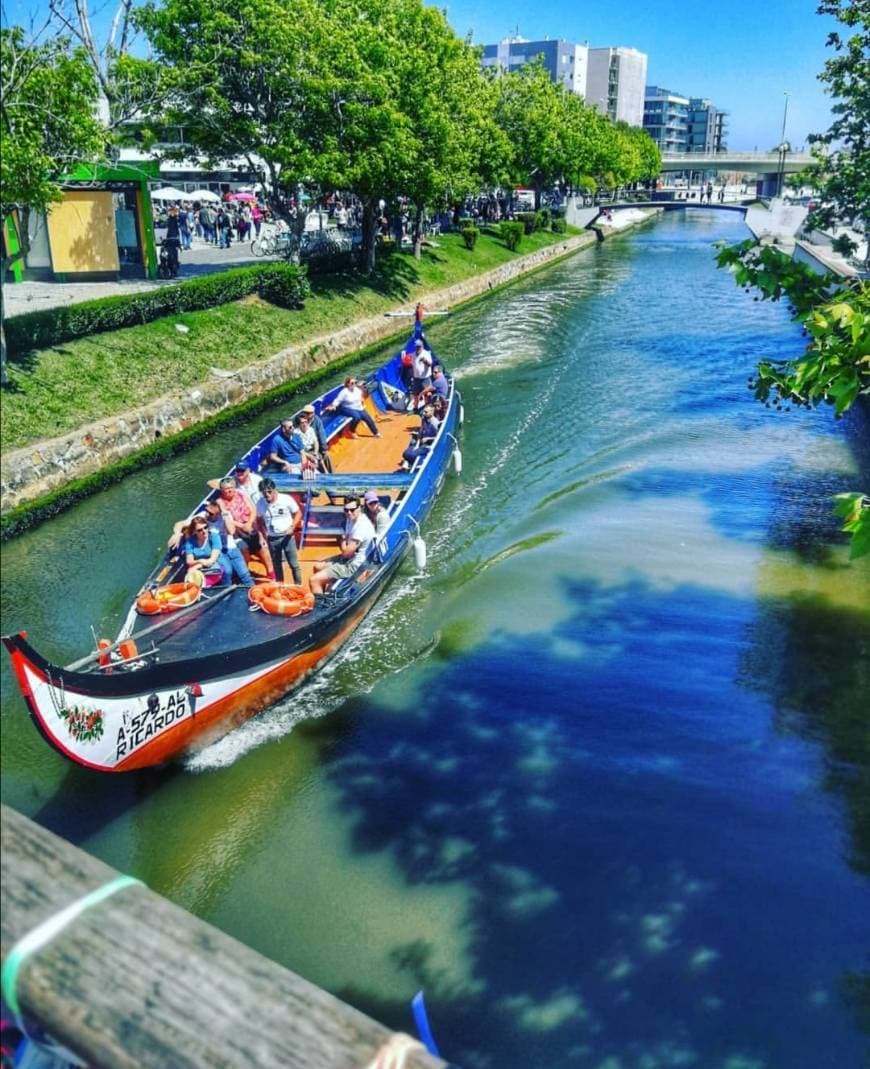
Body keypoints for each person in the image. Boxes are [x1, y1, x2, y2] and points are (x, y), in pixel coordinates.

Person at [309, 498, 375, 594]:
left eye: (352, 510)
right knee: (317, 566)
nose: (349, 513)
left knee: (314, 580)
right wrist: (343, 541)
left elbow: (346, 554)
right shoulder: (350, 519)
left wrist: (342, 540)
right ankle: (324, 592)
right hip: (348, 558)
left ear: (359, 508)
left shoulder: (361, 527)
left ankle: (321, 606)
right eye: (346, 510)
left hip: (354, 565)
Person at [217, 476, 274, 577]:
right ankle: (245, 574)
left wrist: (249, 523)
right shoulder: (220, 502)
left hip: (251, 527)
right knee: (244, 550)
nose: (230, 490)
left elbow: (253, 510)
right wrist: (242, 526)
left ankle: (271, 573)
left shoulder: (241, 494)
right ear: (222, 490)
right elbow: (228, 520)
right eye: (226, 488)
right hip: (236, 533)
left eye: (231, 487)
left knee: (263, 548)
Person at [256, 478, 302, 584]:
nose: (267, 495)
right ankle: (280, 586)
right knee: (276, 565)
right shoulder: (260, 503)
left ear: (274, 490)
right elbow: (259, 520)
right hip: (272, 538)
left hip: (287, 537)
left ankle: (298, 586)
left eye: (269, 491)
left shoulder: (286, 499)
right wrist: (263, 534)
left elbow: (298, 513)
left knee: (294, 565)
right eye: (264, 493)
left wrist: (292, 527)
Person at [201, 499, 255, 587]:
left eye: (211, 513)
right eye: (207, 511)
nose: (207, 514)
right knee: (227, 573)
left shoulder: (225, 515)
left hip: (232, 548)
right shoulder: (203, 517)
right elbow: (182, 524)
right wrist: (177, 534)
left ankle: (254, 594)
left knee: (245, 575)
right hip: (219, 551)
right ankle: (226, 597)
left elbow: (231, 531)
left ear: (218, 513)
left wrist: (224, 512)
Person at [401, 405, 440, 470]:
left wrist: (428, 439)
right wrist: (417, 444)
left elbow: (438, 437)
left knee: (412, 454)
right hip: (421, 444)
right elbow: (420, 432)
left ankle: (419, 464)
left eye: (426, 412)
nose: (424, 413)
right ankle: (409, 463)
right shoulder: (423, 419)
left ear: (432, 412)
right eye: (424, 412)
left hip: (428, 445)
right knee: (406, 453)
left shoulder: (435, 423)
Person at [302, 404, 332, 472]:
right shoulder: (299, 421)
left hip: (315, 446)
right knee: (318, 458)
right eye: (306, 413)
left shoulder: (317, 420)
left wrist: (324, 449)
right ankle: (324, 474)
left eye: (310, 413)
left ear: (313, 413)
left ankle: (332, 474)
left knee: (327, 456)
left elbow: (321, 435)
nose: (308, 414)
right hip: (306, 449)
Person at [410, 339, 433, 409]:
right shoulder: (413, 354)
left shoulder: (426, 353)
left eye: (419, 347)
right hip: (416, 378)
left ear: (422, 346)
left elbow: (430, 364)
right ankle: (415, 408)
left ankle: (427, 407)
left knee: (426, 394)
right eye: (416, 347)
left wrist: (425, 361)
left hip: (425, 378)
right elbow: (413, 365)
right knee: (415, 394)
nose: (417, 348)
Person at [163, 206, 181, 275]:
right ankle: (174, 267)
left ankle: (173, 267)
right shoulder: (173, 219)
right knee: (173, 255)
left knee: (172, 254)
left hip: (171, 238)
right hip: (172, 238)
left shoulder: (172, 219)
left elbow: (172, 229)